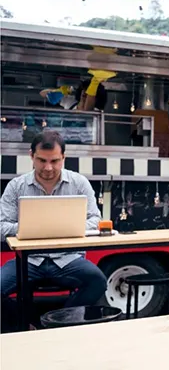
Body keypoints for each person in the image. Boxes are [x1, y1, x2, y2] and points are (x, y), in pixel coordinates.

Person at [1, 130, 107, 330]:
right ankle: (30, 323)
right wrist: (35, 229)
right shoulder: (16, 186)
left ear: (63, 158)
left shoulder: (79, 183)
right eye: (41, 160)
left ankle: (56, 324)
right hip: (28, 259)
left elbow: (95, 219)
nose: (48, 167)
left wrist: (64, 227)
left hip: (69, 258)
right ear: (31, 156)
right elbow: (1, 226)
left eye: (55, 161)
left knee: (98, 282)